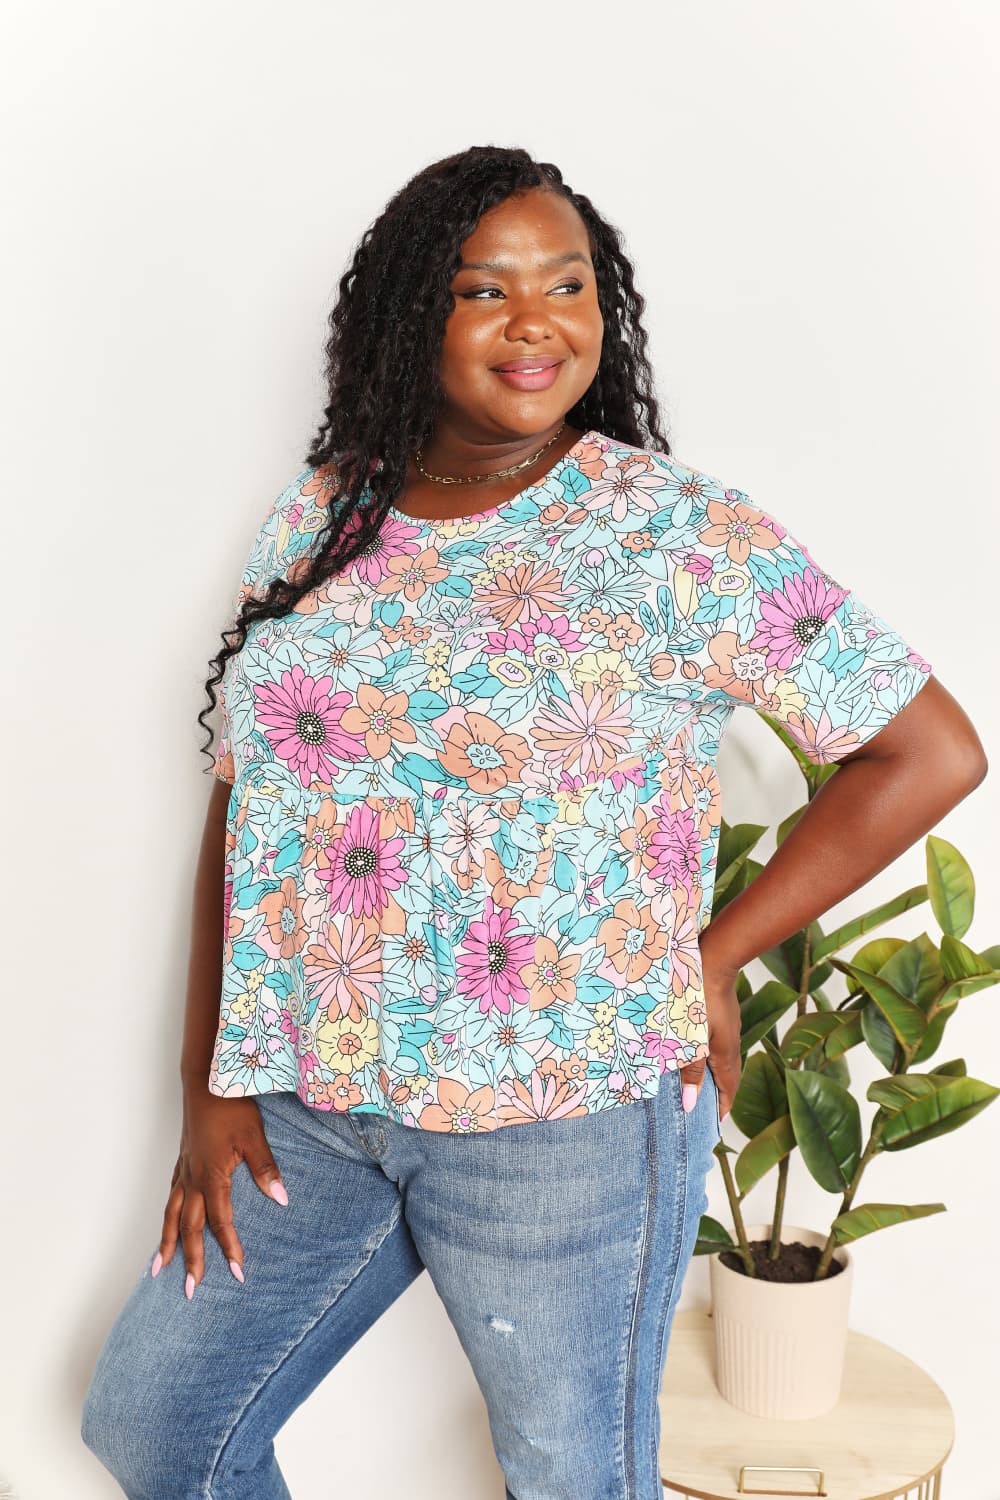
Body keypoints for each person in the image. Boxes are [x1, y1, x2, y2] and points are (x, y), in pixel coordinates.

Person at [80, 145, 987, 1500]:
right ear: (411, 315)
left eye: (567, 284)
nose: (535, 320)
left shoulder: (677, 535)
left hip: (565, 1119)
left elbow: (927, 752)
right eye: (482, 287)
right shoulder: (331, 513)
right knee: (159, 1424)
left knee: (572, 1482)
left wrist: (712, 953)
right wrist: (212, 1086)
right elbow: (247, 797)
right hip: (314, 1105)